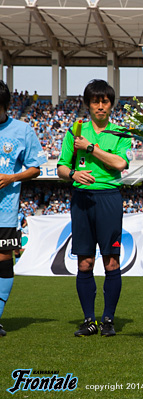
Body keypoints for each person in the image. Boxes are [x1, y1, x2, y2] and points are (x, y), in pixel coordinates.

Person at [57, 79, 132, 337]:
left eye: (105, 101)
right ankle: (89, 320)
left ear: (111, 104)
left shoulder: (120, 132)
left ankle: (108, 319)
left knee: (112, 262)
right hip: (82, 200)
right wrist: (73, 175)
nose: (100, 106)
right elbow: (61, 167)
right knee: (85, 262)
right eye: (95, 101)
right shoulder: (74, 130)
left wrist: (89, 148)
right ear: (88, 104)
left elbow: (120, 163)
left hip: (109, 198)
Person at [0, 80, 46, 336]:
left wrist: (11, 178)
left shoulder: (22, 130)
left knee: (4, 260)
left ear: (5, 106)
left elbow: (36, 167)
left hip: (5, 210)